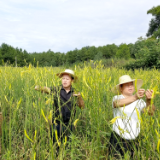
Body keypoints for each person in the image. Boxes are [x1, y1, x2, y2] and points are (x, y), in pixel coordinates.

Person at [35, 69, 84, 153]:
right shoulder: (55, 90)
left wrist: (79, 97)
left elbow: (82, 106)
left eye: (67, 79)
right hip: (56, 124)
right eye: (63, 78)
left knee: (68, 148)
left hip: (69, 124)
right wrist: (39, 87)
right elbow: (41, 88)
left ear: (72, 80)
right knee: (55, 148)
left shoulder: (75, 92)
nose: (64, 81)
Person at [109, 75, 155, 158]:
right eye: (127, 85)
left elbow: (150, 113)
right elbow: (116, 103)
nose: (130, 86)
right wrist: (135, 97)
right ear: (121, 88)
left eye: (131, 84)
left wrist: (149, 100)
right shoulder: (116, 98)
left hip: (134, 138)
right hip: (118, 137)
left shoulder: (139, 101)